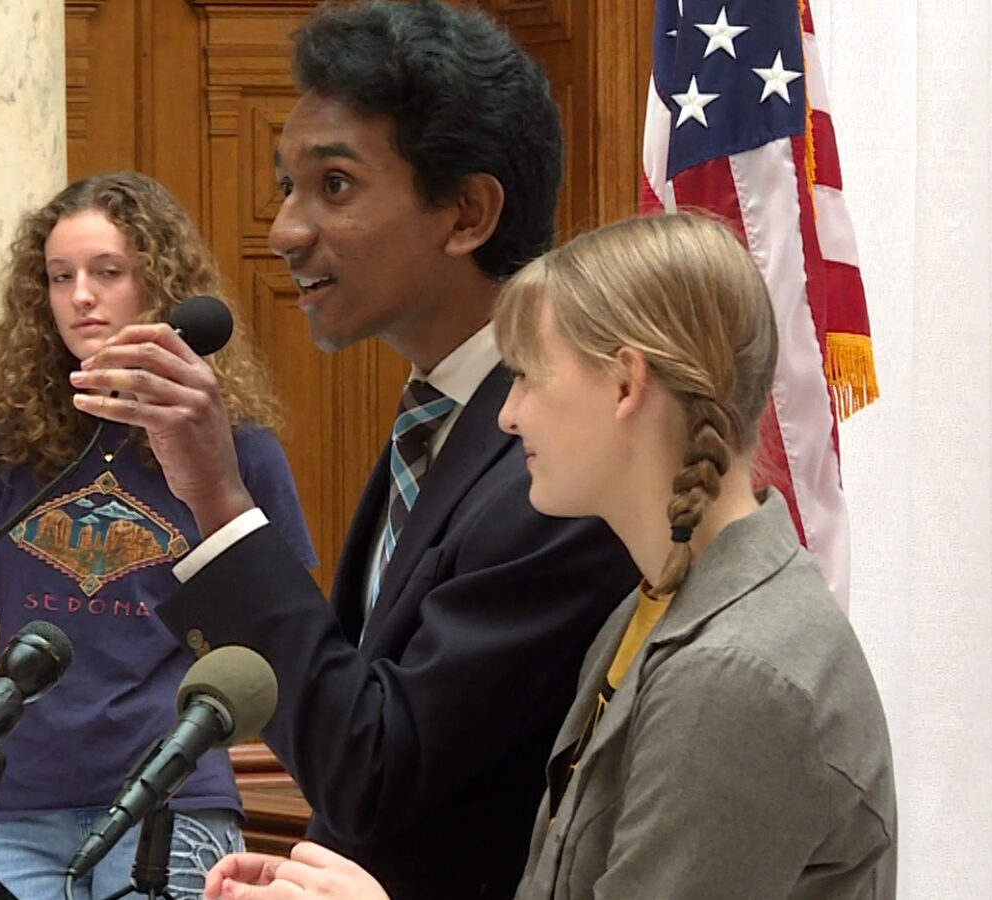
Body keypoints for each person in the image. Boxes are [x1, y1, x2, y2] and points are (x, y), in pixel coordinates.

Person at [66, 3, 636, 899]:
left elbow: (375, 767)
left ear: (468, 213)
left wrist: (218, 496)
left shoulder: (557, 463)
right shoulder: (441, 413)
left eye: (333, 186)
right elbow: (362, 716)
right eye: (286, 185)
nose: (285, 231)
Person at [200, 213, 898, 900]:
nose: (508, 415)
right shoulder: (657, 607)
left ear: (626, 385)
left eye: (528, 375)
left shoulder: (735, 673)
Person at [0, 171, 317, 900]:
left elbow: (287, 640)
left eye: (107, 272)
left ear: (157, 286)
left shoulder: (235, 448)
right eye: (61, 277)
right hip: (12, 804)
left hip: (174, 802)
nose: (81, 295)